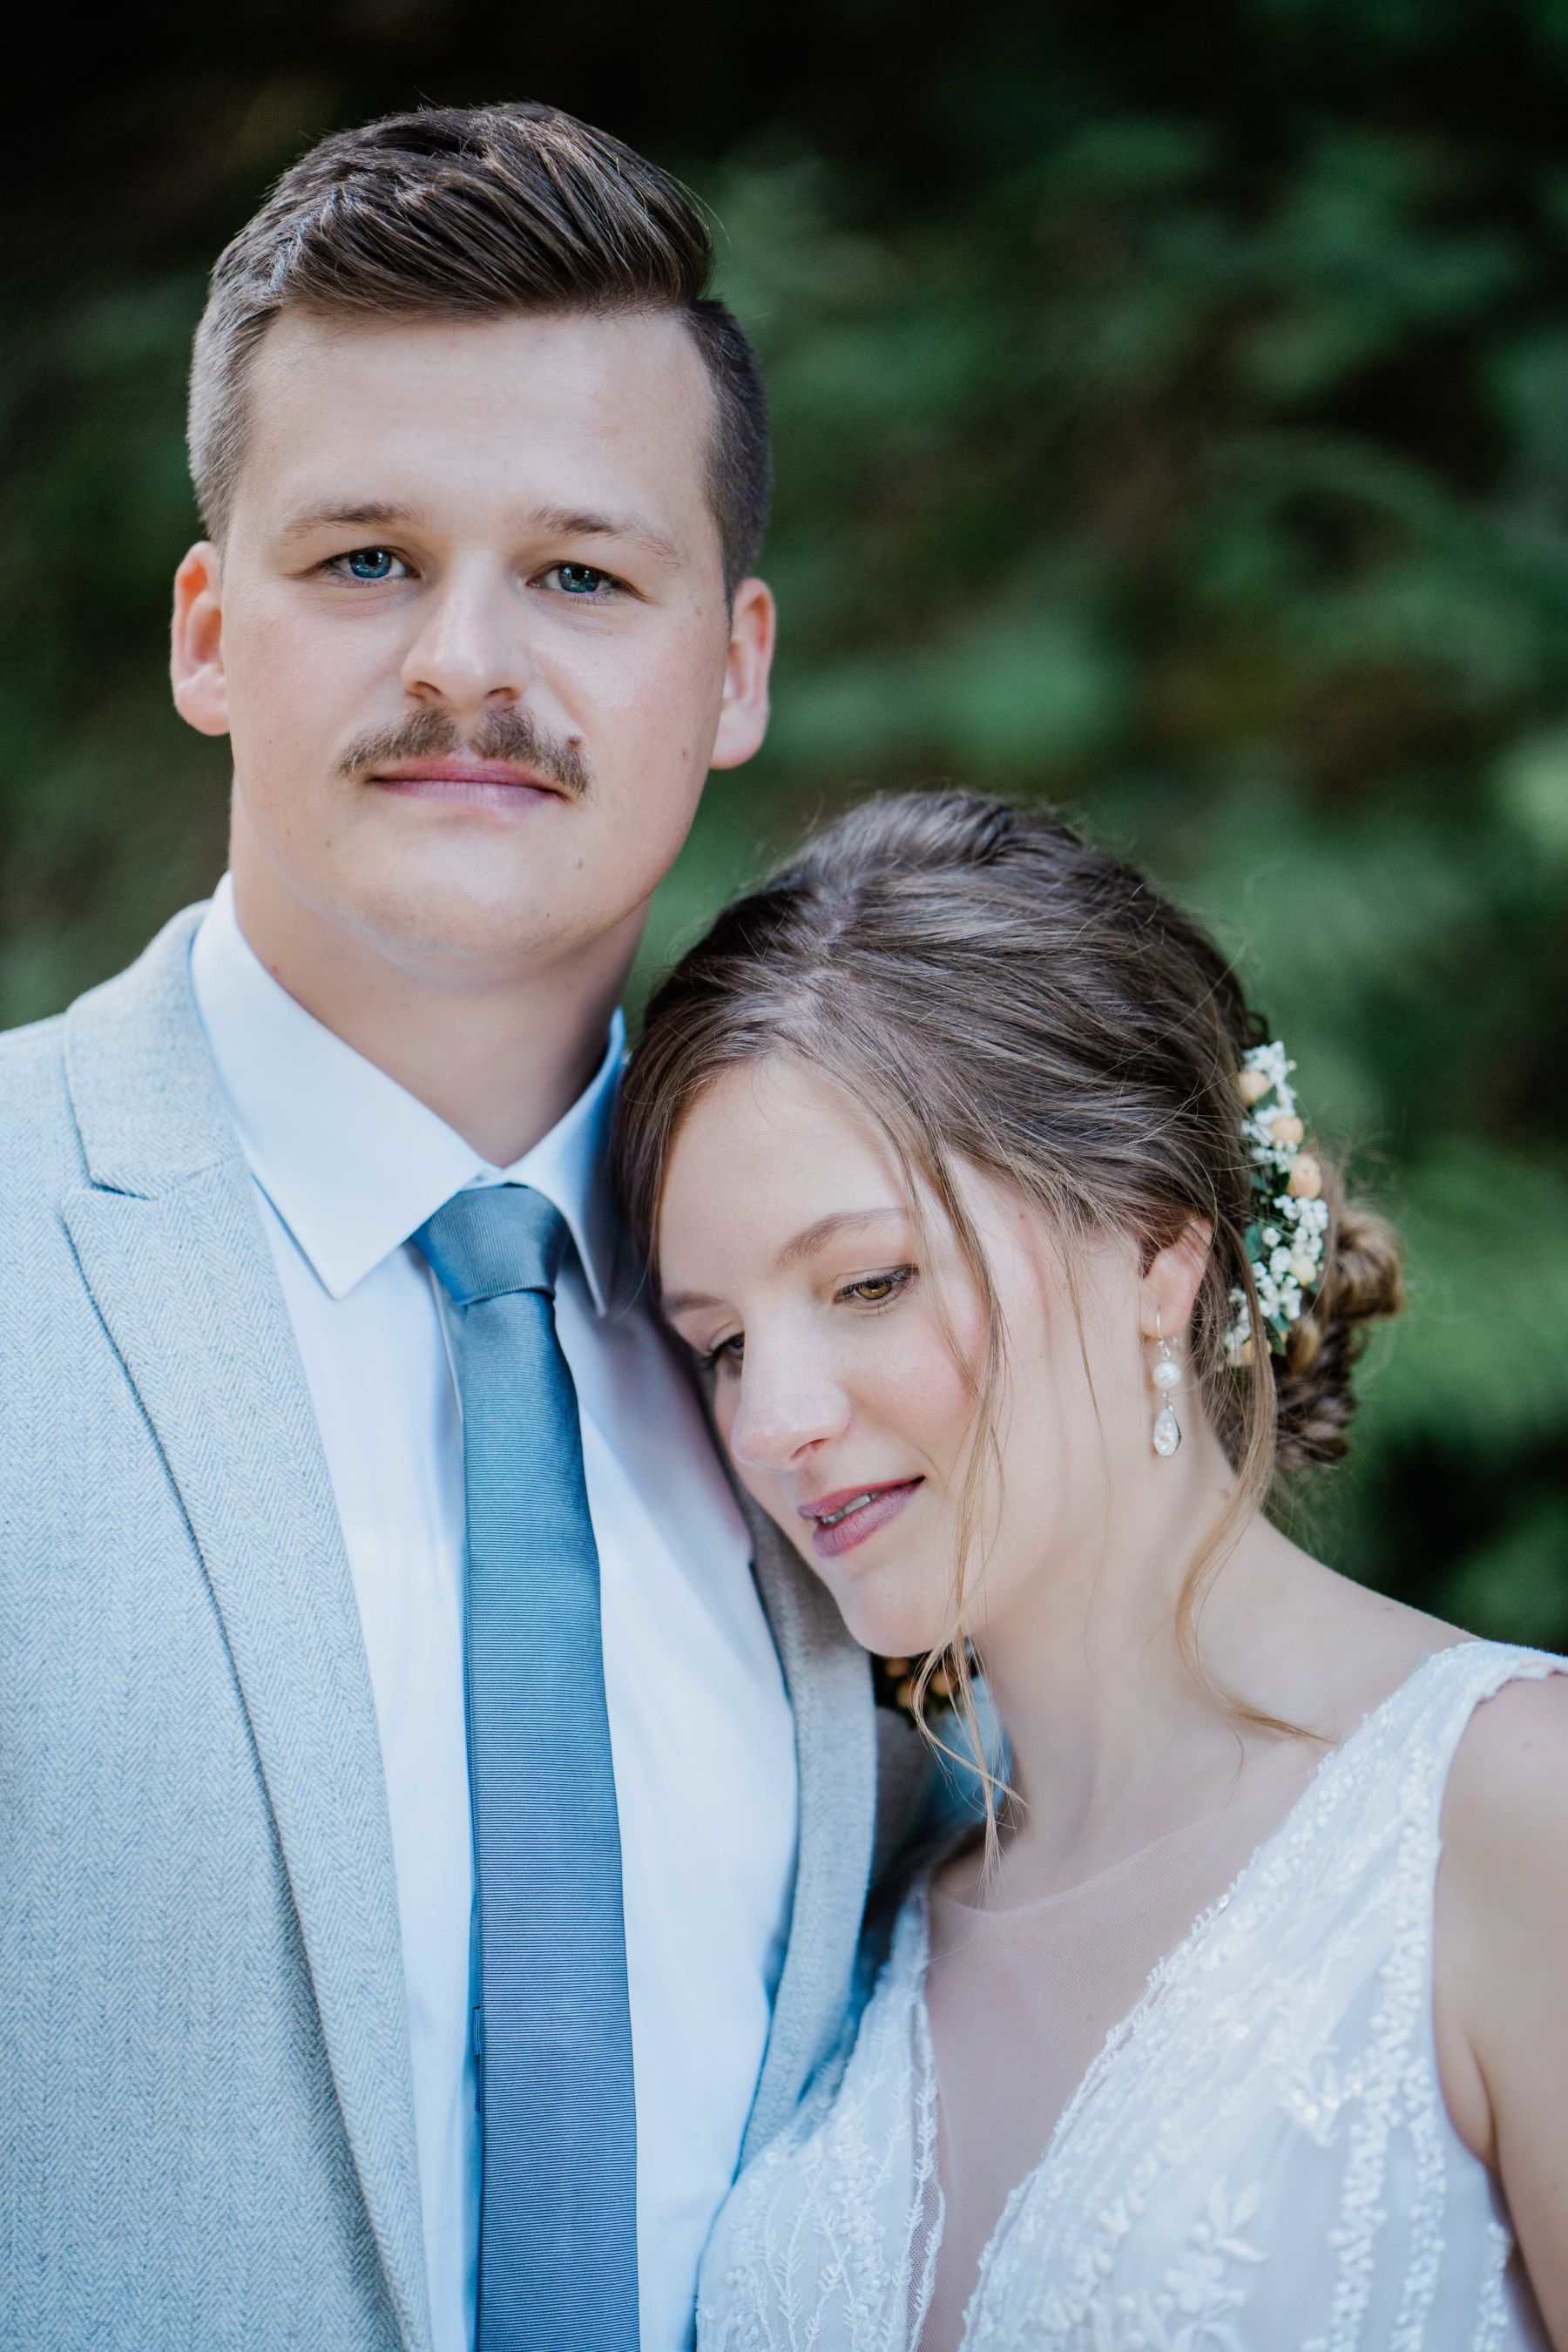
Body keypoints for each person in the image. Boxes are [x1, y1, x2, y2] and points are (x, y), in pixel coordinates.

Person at [0, 103, 924, 2352]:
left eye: (583, 577)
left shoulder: (887, 1338)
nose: (462, 661)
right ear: (209, 633)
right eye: (364, 562)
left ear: (737, 668)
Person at [618, 787, 1568, 2349]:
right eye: (720, 1344)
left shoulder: (1511, 1815)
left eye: (869, 1282)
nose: (775, 1421)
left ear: (1154, 1249)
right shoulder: (871, 1910)